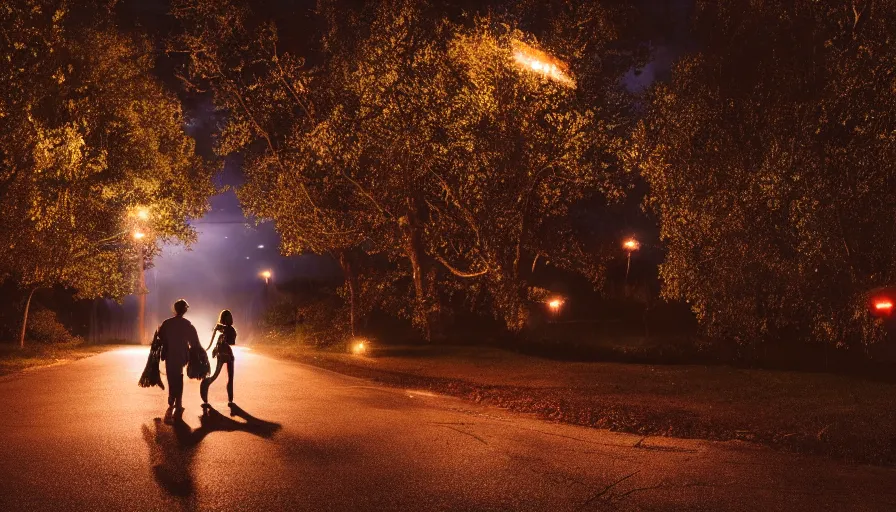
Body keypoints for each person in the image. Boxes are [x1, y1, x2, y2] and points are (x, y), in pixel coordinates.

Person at [158, 299, 200, 420]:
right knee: (179, 376)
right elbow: (194, 341)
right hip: (182, 355)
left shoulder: (167, 323)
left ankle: (172, 399)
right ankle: (178, 402)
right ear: (184, 310)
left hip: (169, 354)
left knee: (171, 377)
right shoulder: (187, 324)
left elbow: (160, 337)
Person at [200, 309, 237, 410]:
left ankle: (230, 399)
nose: (230, 318)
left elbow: (232, 342)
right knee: (215, 375)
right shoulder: (221, 329)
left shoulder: (225, 329)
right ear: (224, 319)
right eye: (228, 317)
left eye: (230, 316)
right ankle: (205, 384)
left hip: (228, 354)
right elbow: (216, 342)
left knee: (230, 377)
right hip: (222, 354)